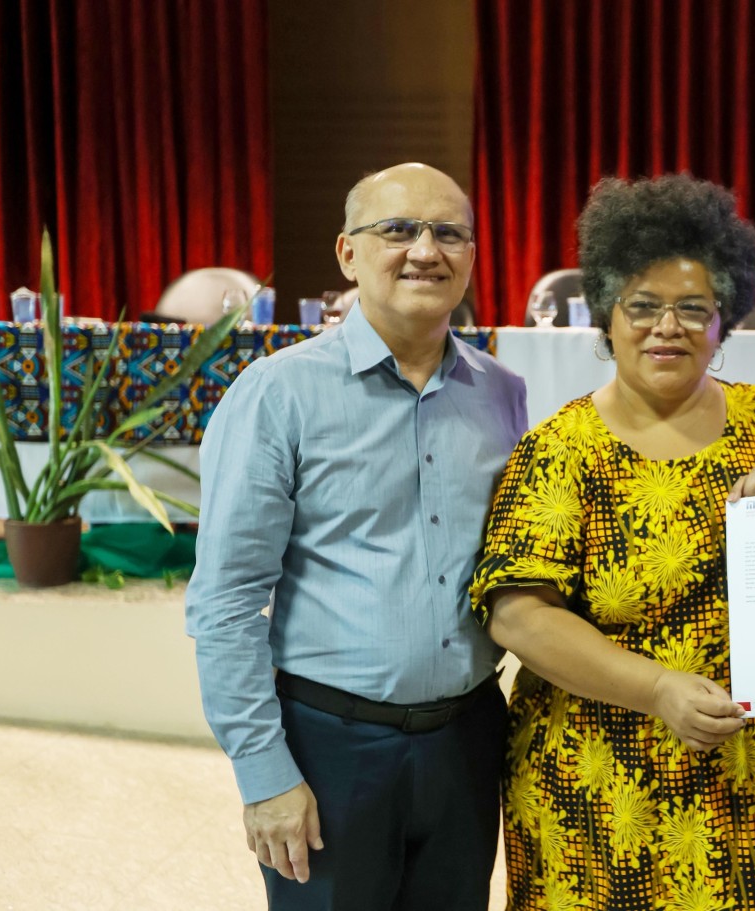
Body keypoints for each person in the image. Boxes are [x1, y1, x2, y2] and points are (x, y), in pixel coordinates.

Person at [471, 174, 755, 910]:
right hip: (600, 789)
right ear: (607, 314)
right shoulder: (562, 447)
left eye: (692, 308)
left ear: (722, 320)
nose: (666, 326)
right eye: (642, 306)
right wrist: (659, 688)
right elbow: (516, 613)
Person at [186, 162, 527, 910]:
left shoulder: (504, 394)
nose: (424, 250)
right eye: (398, 229)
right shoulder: (277, 395)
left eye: (449, 232)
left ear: (471, 254)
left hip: (468, 738)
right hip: (330, 746)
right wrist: (263, 771)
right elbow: (226, 601)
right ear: (347, 253)